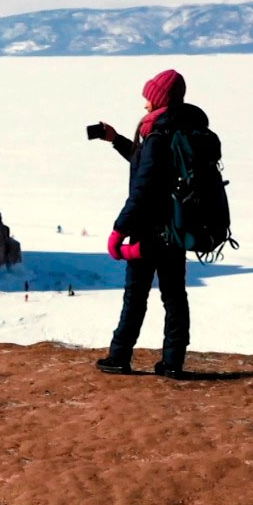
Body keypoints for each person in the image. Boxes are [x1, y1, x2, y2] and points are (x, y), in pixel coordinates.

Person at [93, 69, 208, 379]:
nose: (145, 103)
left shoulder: (157, 135)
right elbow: (148, 166)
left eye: (149, 96)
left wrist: (119, 229)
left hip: (150, 230)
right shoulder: (180, 128)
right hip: (176, 228)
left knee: (135, 296)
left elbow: (143, 187)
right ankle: (173, 363)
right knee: (174, 296)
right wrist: (116, 140)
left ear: (161, 99)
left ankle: (119, 356)